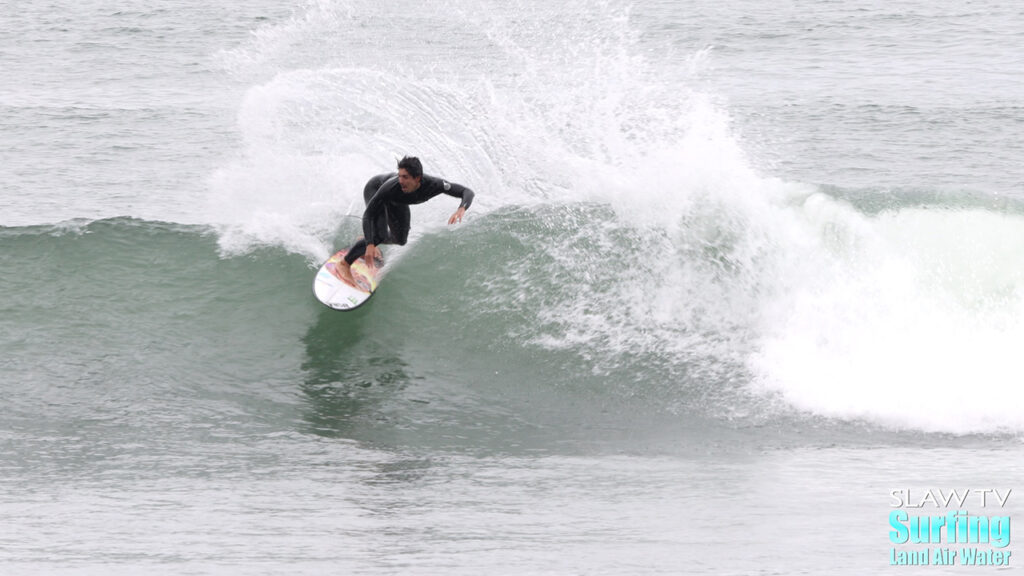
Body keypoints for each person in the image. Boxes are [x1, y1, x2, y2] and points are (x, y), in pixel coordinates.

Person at [333, 156, 475, 287]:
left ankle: (366, 240)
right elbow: (369, 215)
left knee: (400, 239)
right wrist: (371, 243)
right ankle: (345, 263)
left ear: (417, 178)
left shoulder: (434, 185)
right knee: (378, 236)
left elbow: (466, 192)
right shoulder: (391, 186)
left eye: (405, 177)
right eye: (399, 175)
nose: (400, 180)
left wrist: (462, 208)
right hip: (375, 190)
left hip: (398, 201)